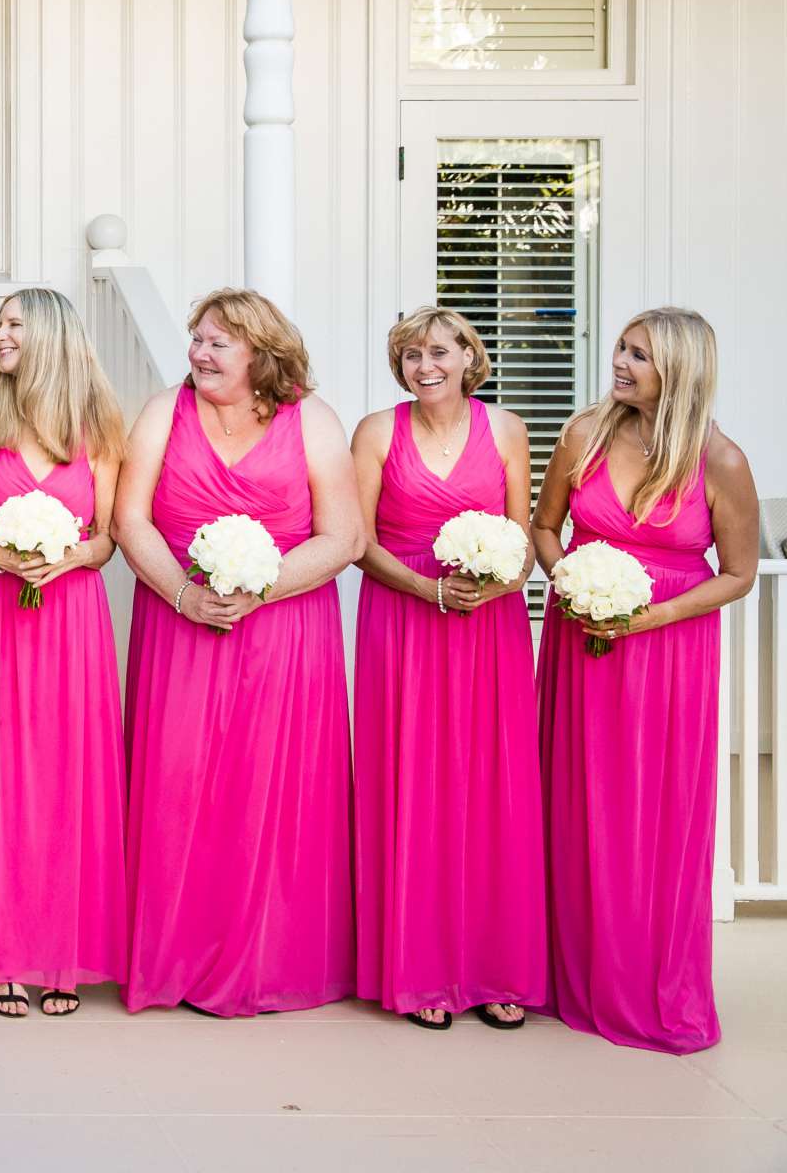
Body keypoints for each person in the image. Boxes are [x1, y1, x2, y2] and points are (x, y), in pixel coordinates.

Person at [114, 289, 361, 1016]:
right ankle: (178, 957)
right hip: (180, 623)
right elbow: (131, 519)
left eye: (218, 342)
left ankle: (271, 957)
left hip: (284, 630)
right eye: (196, 339)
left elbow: (343, 537)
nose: (200, 353)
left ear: (259, 350)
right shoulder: (165, 411)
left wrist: (260, 590)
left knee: (272, 787)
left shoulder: (311, 420)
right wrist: (184, 595)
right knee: (180, 786)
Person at [534, 307, 756, 1054]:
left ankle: (648, 980)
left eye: (640, 356)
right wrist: (572, 581)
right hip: (581, 642)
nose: (620, 364)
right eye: (623, 349)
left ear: (681, 373)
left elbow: (738, 574)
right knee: (574, 801)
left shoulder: (719, 460)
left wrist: (647, 618)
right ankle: (569, 975)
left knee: (654, 817)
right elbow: (545, 527)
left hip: (668, 659)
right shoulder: (583, 434)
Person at [348, 307, 541, 1031]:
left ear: (468, 354)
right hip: (403, 617)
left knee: (492, 787)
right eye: (408, 357)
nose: (423, 367)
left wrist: (501, 581)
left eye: (437, 352)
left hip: (487, 624)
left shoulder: (508, 431)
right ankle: (420, 964)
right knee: (413, 782)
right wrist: (426, 587)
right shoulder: (376, 432)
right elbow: (357, 541)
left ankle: (497, 966)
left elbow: (522, 541)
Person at [0, 289, 127, 1020]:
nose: (0, 335)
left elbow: (108, 536)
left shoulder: (98, 428)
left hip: (71, 619)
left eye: (14, 324)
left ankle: (64, 951)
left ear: (50, 334)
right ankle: (3, 953)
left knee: (67, 779)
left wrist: (71, 554)